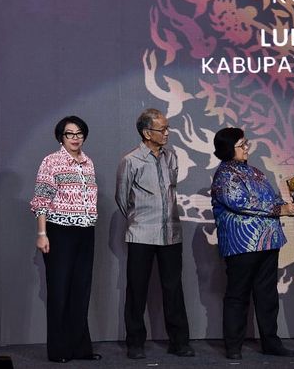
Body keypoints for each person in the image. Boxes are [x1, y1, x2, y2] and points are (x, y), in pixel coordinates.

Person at [210, 127, 294, 360]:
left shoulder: (255, 172)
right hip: (242, 245)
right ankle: (233, 346)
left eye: (246, 143)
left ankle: (271, 342)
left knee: (267, 294)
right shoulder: (224, 175)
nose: (247, 148)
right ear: (229, 149)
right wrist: (279, 209)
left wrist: (289, 205)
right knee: (238, 294)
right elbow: (241, 202)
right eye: (242, 145)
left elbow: (273, 197)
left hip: (268, 242)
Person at [115, 108, 194, 359]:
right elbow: (122, 198)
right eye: (163, 129)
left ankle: (179, 342)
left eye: (168, 128)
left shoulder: (171, 157)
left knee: (173, 288)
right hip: (141, 233)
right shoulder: (131, 160)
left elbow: (171, 190)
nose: (167, 133)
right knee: (137, 289)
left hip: (171, 232)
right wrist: (140, 219)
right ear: (147, 133)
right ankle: (135, 343)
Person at [30, 116, 101, 363]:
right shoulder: (51, 162)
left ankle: (81, 348)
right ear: (61, 136)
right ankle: (59, 350)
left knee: (81, 290)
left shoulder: (88, 162)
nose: (75, 138)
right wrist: (42, 234)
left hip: (85, 231)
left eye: (79, 133)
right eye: (70, 134)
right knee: (59, 291)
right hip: (59, 231)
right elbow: (41, 200)